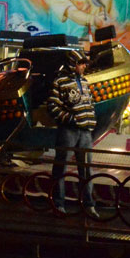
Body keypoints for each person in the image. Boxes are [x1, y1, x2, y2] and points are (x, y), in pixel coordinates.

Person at [46, 50, 100, 218]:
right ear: (72, 64)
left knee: (86, 170)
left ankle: (88, 205)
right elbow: (53, 106)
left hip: (85, 132)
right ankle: (58, 204)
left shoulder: (84, 82)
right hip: (68, 131)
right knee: (61, 167)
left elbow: (89, 104)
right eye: (81, 63)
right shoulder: (60, 82)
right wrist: (70, 119)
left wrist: (90, 121)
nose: (84, 66)